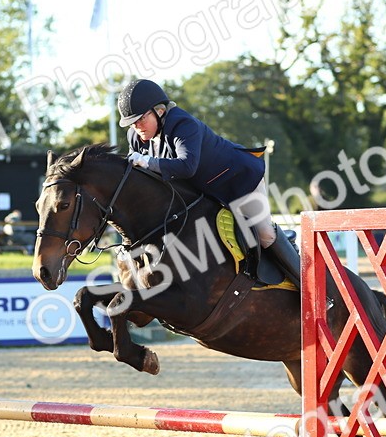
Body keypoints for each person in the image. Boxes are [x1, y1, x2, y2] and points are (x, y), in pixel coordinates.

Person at [117, 78, 300, 286]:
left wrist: (147, 161)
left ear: (159, 111)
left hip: (239, 181)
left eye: (140, 119)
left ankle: (308, 286)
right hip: (206, 192)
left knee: (265, 234)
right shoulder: (136, 136)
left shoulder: (182, 124)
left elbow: (186, 166)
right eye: (132, 122)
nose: (136, 126)